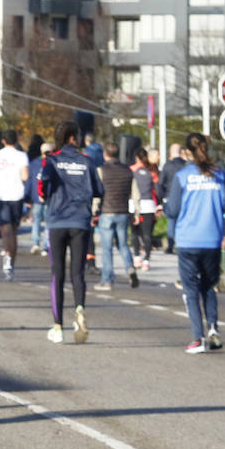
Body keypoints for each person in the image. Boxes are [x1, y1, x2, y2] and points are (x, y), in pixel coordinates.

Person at [165, 133, 225, 353]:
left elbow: (173, 209)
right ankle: (213, 327)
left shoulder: (182, 175)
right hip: (212, 239)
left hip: (188, 240)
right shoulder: (219, 175)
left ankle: (197, 338)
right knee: (208, 286)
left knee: (191, 289)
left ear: (187, 151)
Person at [39, 120, 103, 344]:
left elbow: (42, 186)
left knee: (57, 274)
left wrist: (46, 196)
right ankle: (79, 310)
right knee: (78, 273)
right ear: (74, 138)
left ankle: (57, 326)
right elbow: (98, 190)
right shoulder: (87, 161)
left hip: (57, 220)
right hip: (80, 220)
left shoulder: (52, 160)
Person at [0, 128, 28, 280]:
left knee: (5, 228)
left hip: (0, 195)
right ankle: (11, 260)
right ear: (16, 141)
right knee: (13, 229)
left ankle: (7, 256)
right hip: (16, 194)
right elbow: (25, 175)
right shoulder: (22, 156)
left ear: (3, 141)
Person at [94, 142, 138, 291]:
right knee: (123, 244)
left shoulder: (101, 171)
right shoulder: (128, 171)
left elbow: (97, 194)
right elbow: (135, 193)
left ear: (105, 154)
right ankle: (130, 267)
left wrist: (94, 211)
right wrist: (135, 212)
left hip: (107, 212)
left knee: (106, 248)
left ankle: (107, 280)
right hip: (123, 212)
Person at [130, 148, 159, 271]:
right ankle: (146, 260)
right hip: (148, 204)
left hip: (133, 204)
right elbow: (157, 189)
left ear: (136, 157)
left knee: (134, 233)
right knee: (147, 234)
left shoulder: (131, 170)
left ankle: (136, 257)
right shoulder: (152, 171)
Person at [157, 143, 187, 254]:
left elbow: (160, 183)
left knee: (172, 222)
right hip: (184, 196)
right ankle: (181, 245)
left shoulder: (167, 166)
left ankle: (170, 245)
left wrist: (160, 199)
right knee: (183, 221)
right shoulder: (185, 165)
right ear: (181, 152)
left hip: (170, 196)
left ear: (170, 152)